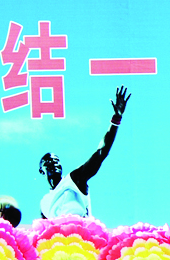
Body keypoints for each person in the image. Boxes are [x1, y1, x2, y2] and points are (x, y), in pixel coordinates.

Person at [39, 86, 129, 221]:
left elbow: (100, 153)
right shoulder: (45, 202)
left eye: (57, 160)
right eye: (48, 161)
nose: (54, 163)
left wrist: (116, 119)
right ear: (41, 170)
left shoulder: (74, 180)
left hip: (80, 232)